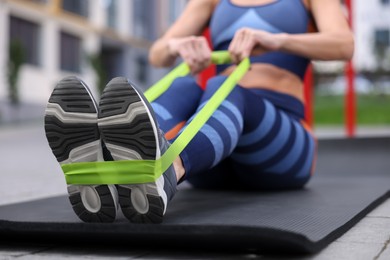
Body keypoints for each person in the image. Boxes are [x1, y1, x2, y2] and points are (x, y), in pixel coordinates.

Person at [44, 0, 354, 224]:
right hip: (214, 152)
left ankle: (167, 173)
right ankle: (108, 168)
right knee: (184, 85)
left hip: (283, 146)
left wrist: (277, 40)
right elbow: (158, 53)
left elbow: (343, 45)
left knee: (224, 85)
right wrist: (181, 46)